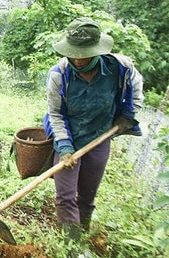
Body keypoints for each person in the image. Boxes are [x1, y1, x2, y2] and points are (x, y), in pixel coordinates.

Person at [43, 17, 144, 256]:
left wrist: (128, 115)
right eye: (73, 53)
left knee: (87, 193)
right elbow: (55, 113)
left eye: (84, 54)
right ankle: (72, 246)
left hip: (100, 136)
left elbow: (136, 90)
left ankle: (84, 226)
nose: (77, 59)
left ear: (98, 50)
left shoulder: (120, 68)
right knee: (65, 194)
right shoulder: (59, 74)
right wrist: (65, 148)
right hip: (68, 136)